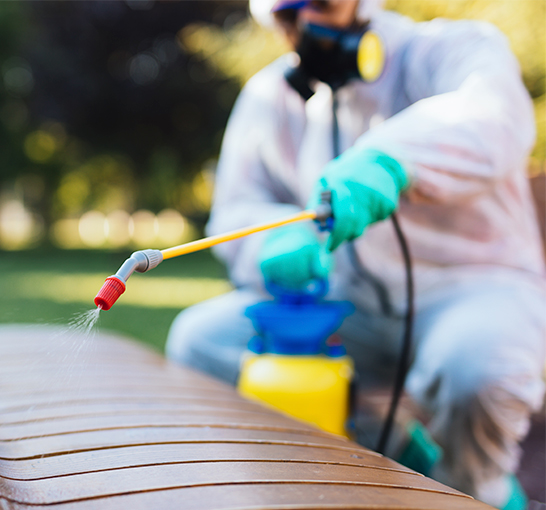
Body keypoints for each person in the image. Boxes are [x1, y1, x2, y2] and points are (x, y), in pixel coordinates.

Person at [165, 1, 546, 508]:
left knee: (475, 373)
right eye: (289, 13)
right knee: (199, 343)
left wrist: (389, 160)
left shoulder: (453, 49)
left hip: (475, 288)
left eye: (321, 4)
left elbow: (494, 119)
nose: (308, 25)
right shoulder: (270, 95)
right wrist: (269, 242)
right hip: (350, 302)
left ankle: (475, 492)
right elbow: (239, 208)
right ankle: (388, 447)